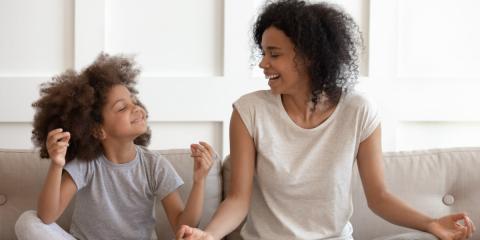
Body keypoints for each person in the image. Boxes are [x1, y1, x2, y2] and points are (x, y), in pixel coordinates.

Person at [175, 1, 476, 240]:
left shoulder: (359, 111)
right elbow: (238, 199)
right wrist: (210, 235)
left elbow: (379, 197)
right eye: (263, 53)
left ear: (309, 56)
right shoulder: (249, 111)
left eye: (274, 54)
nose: (263, 64)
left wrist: (432, 223)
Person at [14, 53, 216, 240]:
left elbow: (184, 227)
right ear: (98, 130)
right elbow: (47, 216)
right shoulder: (87, 165)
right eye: (122, 107)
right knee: (27, 222)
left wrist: (200, 180)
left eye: (134, 101)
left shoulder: (155, 165)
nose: (136, 107)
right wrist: (57, 164)